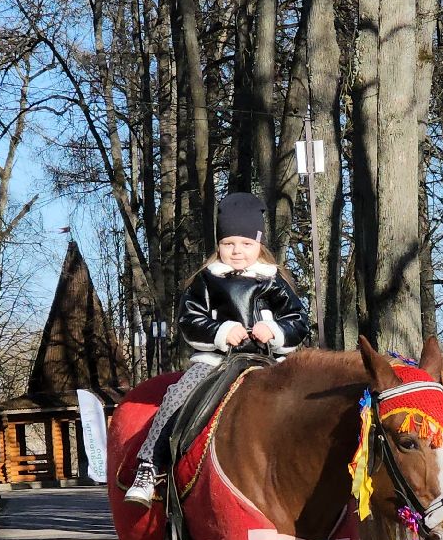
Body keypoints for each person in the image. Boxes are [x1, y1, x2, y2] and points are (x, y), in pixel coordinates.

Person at [124, 193, 309, 506]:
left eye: (246, 244)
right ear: (219, 245)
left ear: (259, 245)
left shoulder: (273, 280)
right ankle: (149, 465)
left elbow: (297, 319)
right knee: (178, 396)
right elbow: (189, 319)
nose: (237, 251)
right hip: (216, 360)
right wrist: (223, 331)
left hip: (266, 361)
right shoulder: (207, 281)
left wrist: (274, 331)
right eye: (229, 244)